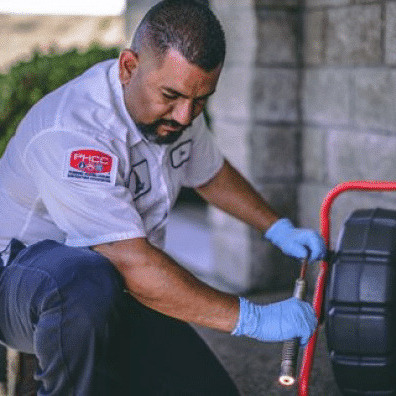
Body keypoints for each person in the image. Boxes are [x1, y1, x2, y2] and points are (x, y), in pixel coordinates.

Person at [0, 0, 326, 394]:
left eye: (201, 100)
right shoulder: (74, 132)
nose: (186, 116)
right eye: (171, 95)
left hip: (115, 287)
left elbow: (211, 174)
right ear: (128, 67)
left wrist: (277, 228)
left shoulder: (174, 113)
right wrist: (254, 319)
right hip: (22, 287)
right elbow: (130, 262)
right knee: (83, 279)